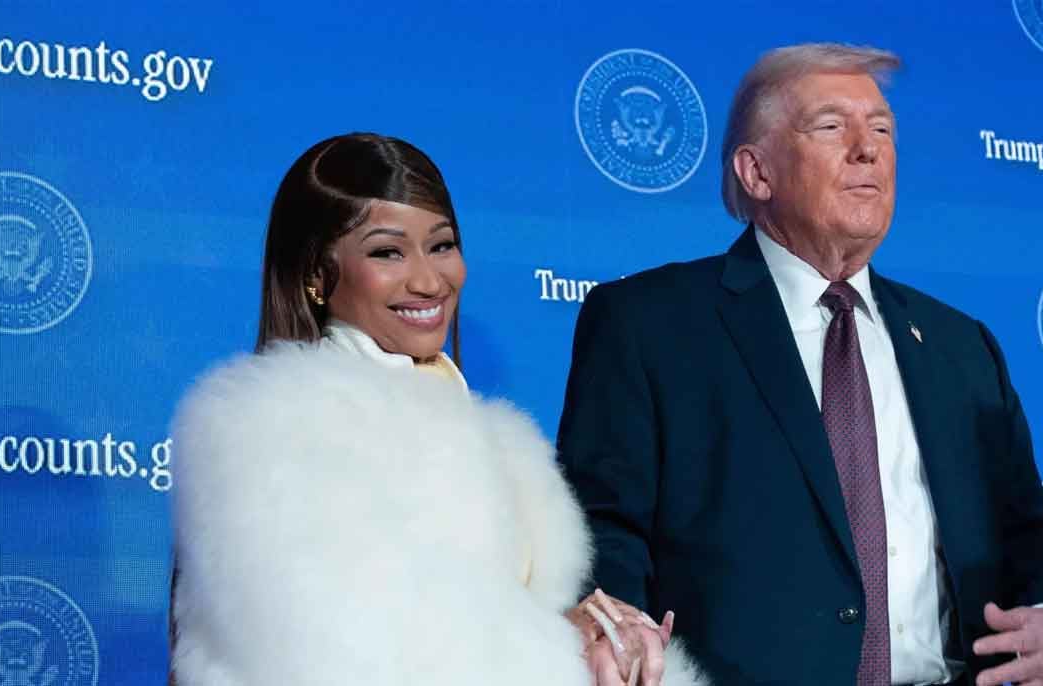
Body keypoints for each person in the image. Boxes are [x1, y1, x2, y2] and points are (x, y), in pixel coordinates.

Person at [556, 44, 1043, 685]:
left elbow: (1031, 541)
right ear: (757, 172)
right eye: (832, 126)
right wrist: (616, 632)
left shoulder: (962, 347)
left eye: (882, 130)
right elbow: (600, 531)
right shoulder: (649, 324)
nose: (868, 150)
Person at [168, 133, 707, 686]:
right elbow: (340, 657)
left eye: (442, 245)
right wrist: (562, 645)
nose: (429, 281)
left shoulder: (500, 445)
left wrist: (609, 647)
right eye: (387, 252)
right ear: (315, 273)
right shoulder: (268, 430)